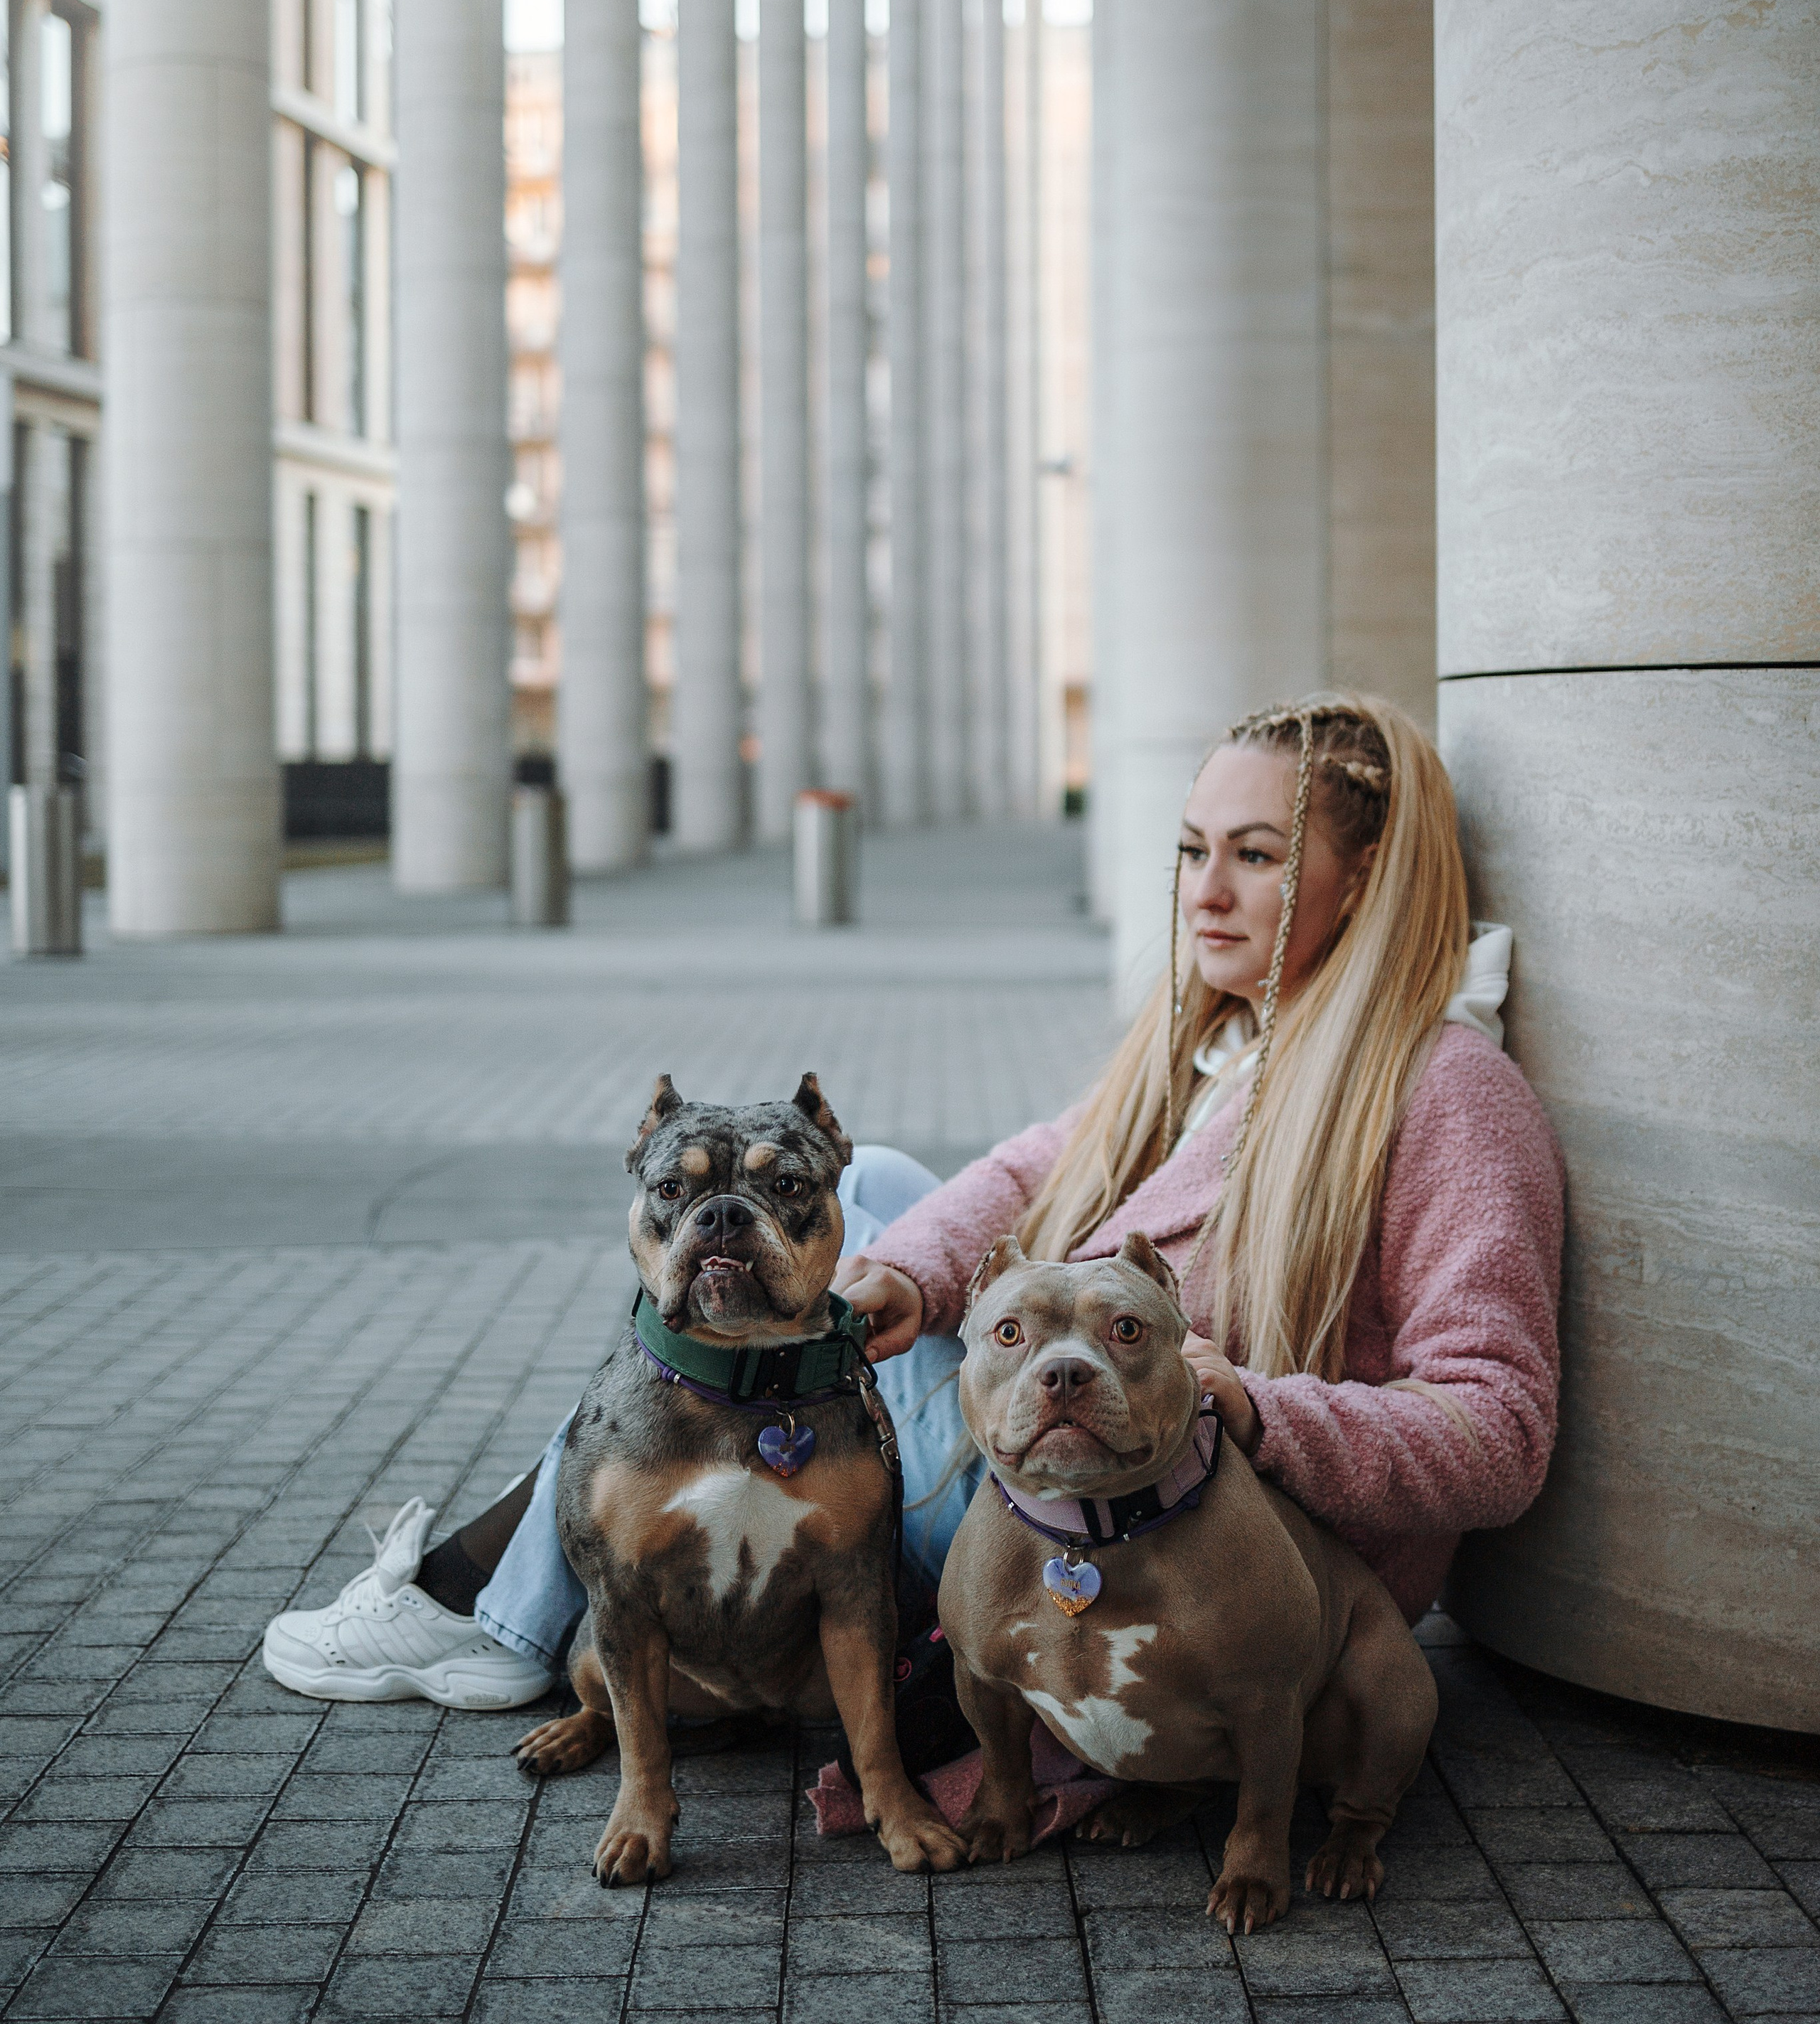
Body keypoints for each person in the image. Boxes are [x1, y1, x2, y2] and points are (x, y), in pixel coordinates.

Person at [262, 695, 1563, 1713]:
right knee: (867, 1192)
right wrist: (909, 1280)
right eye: (1189, 852)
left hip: (1191, 1527)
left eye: (1257, 857)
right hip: (1083, 1464)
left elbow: (1499, 1429)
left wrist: (1257, 1408)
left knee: (742, 1319)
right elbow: (1023, 1170)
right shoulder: (1220, 1044)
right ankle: (531, 1596)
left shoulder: (1443, 1090)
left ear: (1374, 869)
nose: (1206, 893)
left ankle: (490, 1613)